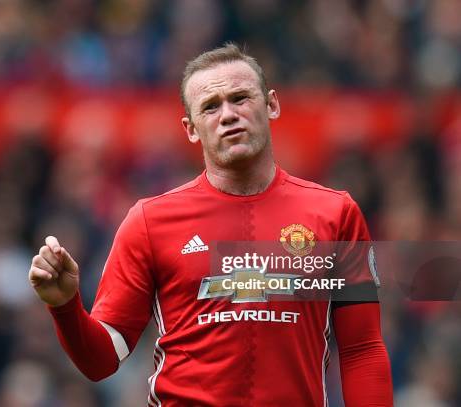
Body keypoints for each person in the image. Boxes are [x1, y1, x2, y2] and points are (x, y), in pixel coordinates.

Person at [28, 43, 393, 406]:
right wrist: (65, 305)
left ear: (272, 105)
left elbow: (362, 349)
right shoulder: (150, 221)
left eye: (240, 98)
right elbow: (102, 359)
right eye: (211, 106)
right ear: (191, 128)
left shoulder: (336, 214)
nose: (228, 115)